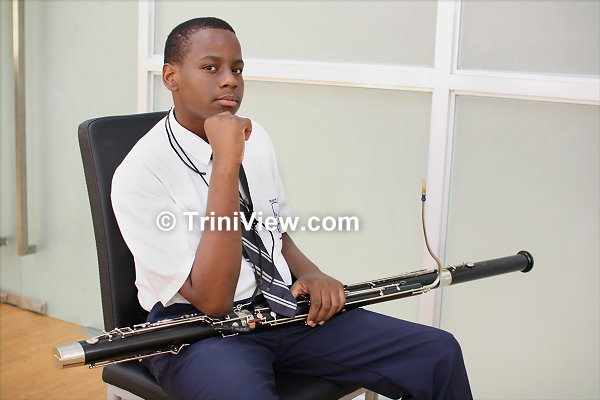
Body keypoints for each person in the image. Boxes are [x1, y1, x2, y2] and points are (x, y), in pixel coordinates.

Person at [111, 17, 472, 400]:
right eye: (211, 67)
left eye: (237, 69)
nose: (230, 80)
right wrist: (226, 164)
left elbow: (273, 233)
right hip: (195, 331)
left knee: (437, 353)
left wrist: (310, 272)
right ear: (171, 77)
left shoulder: (255, 136)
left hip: (280, 308)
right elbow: (214, 301)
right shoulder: (140, 174)